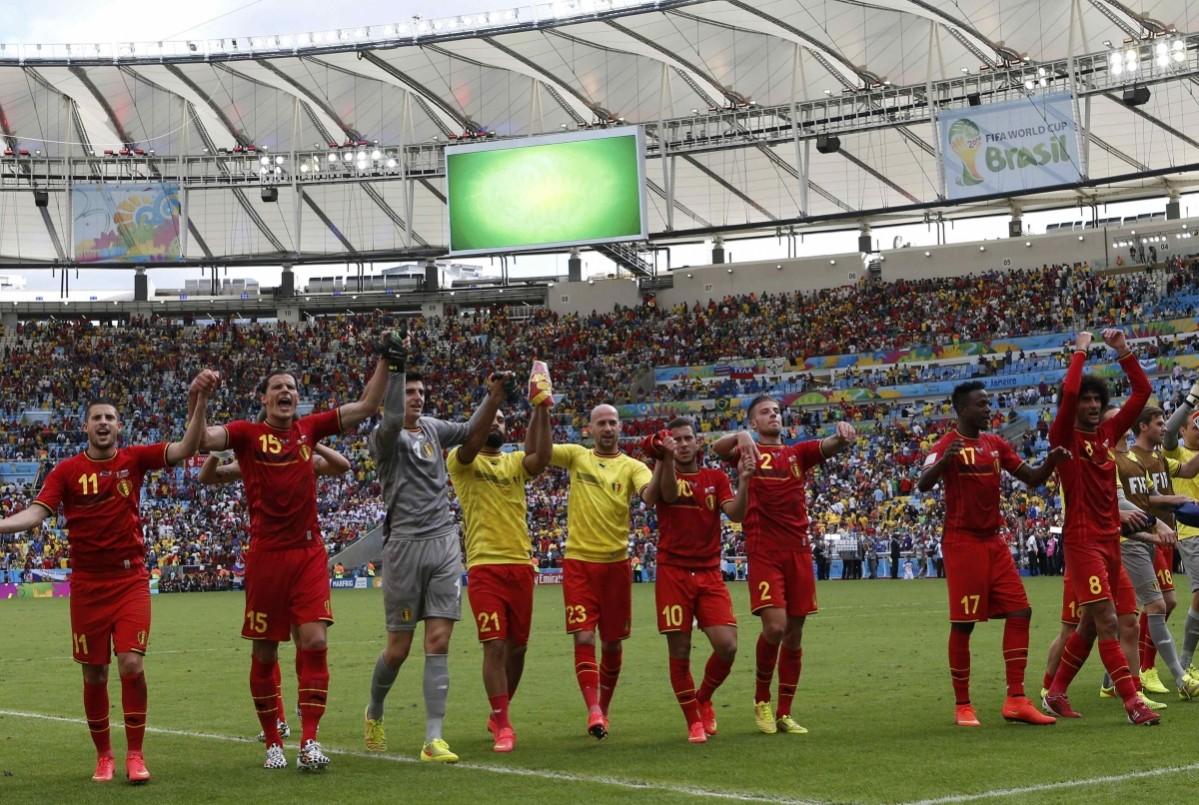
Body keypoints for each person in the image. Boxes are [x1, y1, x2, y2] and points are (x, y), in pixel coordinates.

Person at [0, 370, 218, 783]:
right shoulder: (65, 472)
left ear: (119, 426)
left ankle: (135, 754)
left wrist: (200, 401)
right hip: (87, 586)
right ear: (85, 426)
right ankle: (104, 756)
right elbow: (35, 515)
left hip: (130, 580)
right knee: (94, 673)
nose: (103, 423)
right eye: (96, 418)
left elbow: (189, 447)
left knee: (131, 665)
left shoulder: (134, 459)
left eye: (110, 418)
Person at [196, 354, 390, 771]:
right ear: (264, 400)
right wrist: (201, 398)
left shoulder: (309, 430)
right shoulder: (247, 435)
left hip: (308, 553)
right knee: (265, 652)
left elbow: (367, 406)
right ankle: (272, 742)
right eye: (277, 388)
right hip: (266, 555)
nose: (286, 392)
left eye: (292, 388)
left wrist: (386, 361)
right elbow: (203, 441)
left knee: (316, 641)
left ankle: (309, 742)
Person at [362, 334, 514, 764]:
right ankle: (374, 709)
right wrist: (396, 370)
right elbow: (391, 418)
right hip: (404, 547)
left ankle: (433, 738)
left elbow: (469, 431)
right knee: (398, 648)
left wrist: (492, 396)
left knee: (440, 639)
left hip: (444, 541)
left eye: (421, 392)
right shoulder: (384, 436)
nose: (416, 398)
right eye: (409, 391)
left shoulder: (432, 428)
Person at [916, 380, 1066, 728]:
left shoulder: (995, 444)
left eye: (988, 403)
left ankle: (1016, 699)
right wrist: (943, 463)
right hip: (962, 542)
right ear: (962, 410)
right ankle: (963, 705)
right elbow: (922, 482)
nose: (988, 409)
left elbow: (1031, 478)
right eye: (982, 404)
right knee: (964, 623)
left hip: (993, 541)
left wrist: (1052, 461)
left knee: (1020, 611)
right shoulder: (946, 445)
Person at [713, 396, 856, 735]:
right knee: (774, 628)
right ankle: (761, 699)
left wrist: (843, 434)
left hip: (799, 552)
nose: (773, 415)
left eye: (776, 411)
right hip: (764, 552)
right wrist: (740, 436)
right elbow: (718, 448)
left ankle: (784, 712)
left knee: (794, 635)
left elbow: (831, 445)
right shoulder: (747, 451)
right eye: (765, 412)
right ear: (754, 421)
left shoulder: (796, 454)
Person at [1041, 329, 1159, 726]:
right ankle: (1132, 701)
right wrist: (1079, 352)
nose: (1091, 405)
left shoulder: (1108, 436)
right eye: (1085, 400)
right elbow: (1069, 395)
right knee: (1107, 621)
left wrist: (1124, 351)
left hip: (1111, 542)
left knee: (1098, 623)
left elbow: (1142, 394)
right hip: (1082, 542)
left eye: (1097, 400)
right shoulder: (1063, 437)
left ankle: (1055, 692)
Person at [197, 441, 353, 743]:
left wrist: (313, 440)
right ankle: (278, 718)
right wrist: (217, 453)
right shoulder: (252, 463)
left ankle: (301, 706)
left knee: (304, 637)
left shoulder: (304, 459)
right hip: (269, 558)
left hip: (303, 557)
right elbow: (208, 476)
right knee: (268, 644)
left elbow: (341, 465)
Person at [445, 386, 553, 753]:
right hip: (485, 567)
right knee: (494, 645)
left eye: (504, 420)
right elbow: (471, 444)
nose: (498, 423)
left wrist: (542, 406)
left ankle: (499, 714)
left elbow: (540, 457)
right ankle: (503, 723)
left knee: (518, 649)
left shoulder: (514, 463)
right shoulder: (463, 460)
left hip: (521, 566)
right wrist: (493, 401)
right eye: (492, 418)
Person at [550, 404, 654, 739]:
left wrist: (663, 461)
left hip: (616, 566)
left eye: (612, 422)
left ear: (619, 428)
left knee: (611, 644)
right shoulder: (576, 456)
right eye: (601, 423)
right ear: (590, 429)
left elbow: (649, 496)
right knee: (583, 636)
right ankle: (593, 709)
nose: (608, 428)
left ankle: (604, 709)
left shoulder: (633, 467)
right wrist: (541, 407)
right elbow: (537, 450)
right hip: (580, 562)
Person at [651, 417, 752, 743]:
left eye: (687, 438)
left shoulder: (716, 477)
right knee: (679, 649)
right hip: (673, 572)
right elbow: (666, 494)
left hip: (708, 572)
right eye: (676, 439)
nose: (682, 444)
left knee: (728, 645)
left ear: (698, 443)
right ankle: (693, 720)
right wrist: (663, 459)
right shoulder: (666, 473)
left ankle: (703, 696)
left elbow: (736, 514)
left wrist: (745, 480)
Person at [1111, 406, 1199, 699]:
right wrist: (1165, 512)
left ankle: (1118, 677)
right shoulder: (1120, 460)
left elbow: (1155, 490)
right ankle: (1175, 675)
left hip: (1155, 537)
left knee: (1145, 609)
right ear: (1142, 426)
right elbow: (1137, 501)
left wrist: (1170, 506)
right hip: (1137, 537)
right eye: (1159, 423)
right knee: (1157, 605)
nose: (1163, 428)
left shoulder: (1150, 458)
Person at [1161, 378, 1199, 677]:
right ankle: (1185, 663)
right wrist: (1190, 399)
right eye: (1195, 425)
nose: (1197, 429)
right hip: (1192, 533)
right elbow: (1168, 431)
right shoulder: (1177, 454)